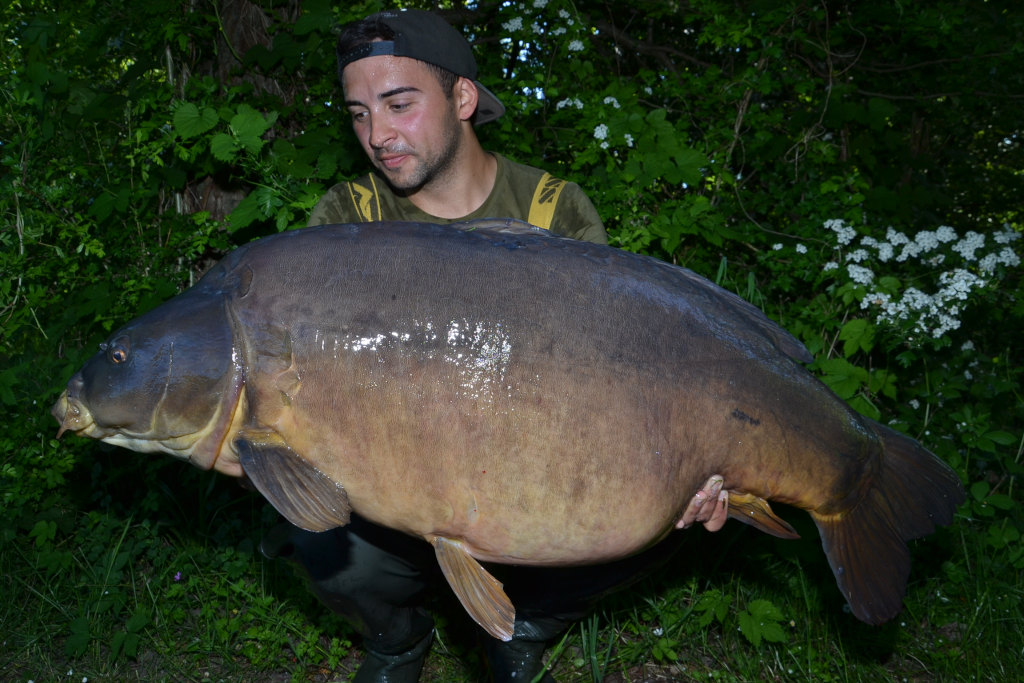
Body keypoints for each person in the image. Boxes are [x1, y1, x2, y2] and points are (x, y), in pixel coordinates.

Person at [261, 9, 729, 682]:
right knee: (315, 530)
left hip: (531, 476)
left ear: (463, 98)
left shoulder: (553, 210)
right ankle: (397, 637)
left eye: (398, 104)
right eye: (359, 113)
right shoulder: (347, 222)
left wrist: (680, 464)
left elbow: (609, 377)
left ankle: (525, 626)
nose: (378, 136)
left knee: (660, 491)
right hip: (393, 488)